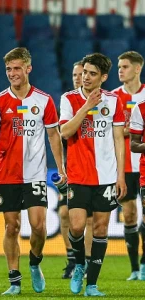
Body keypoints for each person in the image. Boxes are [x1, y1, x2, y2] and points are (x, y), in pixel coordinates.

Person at [0, 47, 66, 295]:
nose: (12, 73)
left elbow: (54, 135)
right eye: (8, 69)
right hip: (8, 175)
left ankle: (34, 262)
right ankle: (14, 281)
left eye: (17, 68)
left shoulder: (43, 100)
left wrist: (61, 169)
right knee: (11, 227)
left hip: (34, 175)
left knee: (39, 227)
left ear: (28, 68)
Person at [59, 52, 127, 296]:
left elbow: (119, 139)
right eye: (84, 72)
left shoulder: (114, 101)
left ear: (104, 77)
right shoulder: (69, 99)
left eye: (92, 74)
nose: (85, 77)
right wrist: (87, 107)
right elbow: (65, 132)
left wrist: (121, 175)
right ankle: (79, 263)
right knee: (76, 227)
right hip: (78, 175)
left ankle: (92, 284)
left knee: (100, 228)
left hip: (107, 176)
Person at [58, 61, 93, 279]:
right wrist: (61, 168)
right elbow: (60, 137)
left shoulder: (98, 103)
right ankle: (72, 259)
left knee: (89, 220)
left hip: (91, 171)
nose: (78, 78)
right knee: (64, 214)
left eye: (81, 74)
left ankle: (86, 261)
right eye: (74, 74)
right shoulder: (68, 102)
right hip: (71, 172)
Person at [113, 51, 145, 281]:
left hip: (143, 165)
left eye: (125, 66)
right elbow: (108, 132)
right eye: (119, 67)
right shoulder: (113, 98)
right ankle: (134, 268)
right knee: (130, 214)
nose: (120, 71)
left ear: (137, 68)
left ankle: (143, 265)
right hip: (123, 167)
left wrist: (124, 129)